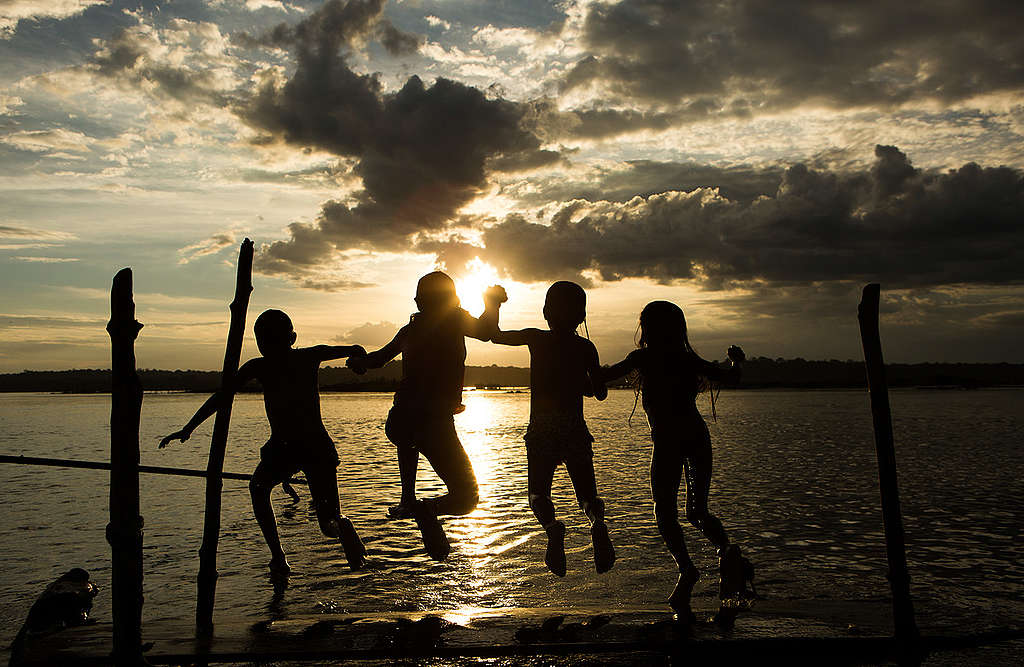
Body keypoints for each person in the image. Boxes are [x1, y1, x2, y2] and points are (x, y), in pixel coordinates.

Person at [159, 309, 368, 577]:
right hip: (311, 447)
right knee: (328, 524)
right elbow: (355, 347)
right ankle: (341, 528)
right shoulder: (308, 355)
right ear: (292, 337)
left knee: (258, 489)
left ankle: (279, 557)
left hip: (289, 447)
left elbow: (222, 396)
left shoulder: (262, 365)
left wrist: (188, 428)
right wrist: (360, 363)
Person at [603, 300, 747, 622]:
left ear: (648, 328)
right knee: (696, 511)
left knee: (664, 511)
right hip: (696, 438)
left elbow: (603, 377)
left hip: (670, 444)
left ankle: (687, 568)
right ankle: (726, 551)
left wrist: (578, 366)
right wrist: (737, 361)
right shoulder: (686, 358)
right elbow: (730, 377)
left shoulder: (643, 357)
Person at [347, 271, 505, 560]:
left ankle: (407, 498)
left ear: (418, 302)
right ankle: (427, 509)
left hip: (399, 419)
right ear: (454, 300)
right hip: (433, 421)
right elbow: (486, 332)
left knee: (408, 436)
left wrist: (357, 362)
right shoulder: (455, 319)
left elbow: (376, 360)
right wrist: (492, 303)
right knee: (467, 497)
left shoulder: (409, 330)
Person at [489, 281, 615, 576]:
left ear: (546, 311)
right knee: (587, 495)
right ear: (581, 317)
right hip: (574, 427)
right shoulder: (586, 347)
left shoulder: (536, 338)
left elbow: (494, 337)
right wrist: (583, 381)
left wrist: (493, 302)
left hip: (543, 428)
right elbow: (599, 392)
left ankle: (552, 527)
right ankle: (597, 522)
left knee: (538, 494)